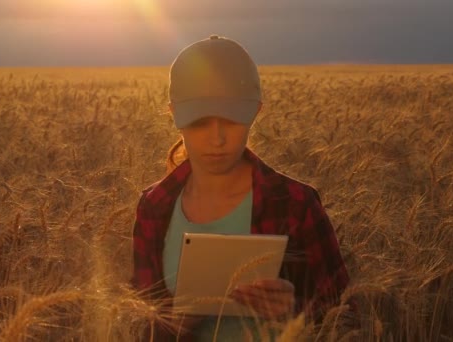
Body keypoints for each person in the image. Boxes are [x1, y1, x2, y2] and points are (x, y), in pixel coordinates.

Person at [131, 35, 351, 341]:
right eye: (200, 122)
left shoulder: (296, 204)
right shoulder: (155, 206)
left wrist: (297, 311)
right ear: (174, 116)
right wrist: (173, 324)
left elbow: (347, 316)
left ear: (256, 113)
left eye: (232, 120)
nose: (217, 138)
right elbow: (141, 323)